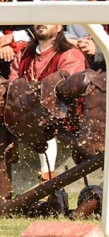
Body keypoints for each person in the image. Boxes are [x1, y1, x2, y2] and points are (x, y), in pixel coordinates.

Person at [8, 23, 85, 185]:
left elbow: (67, 89)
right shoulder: (23, 54)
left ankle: (47, 178)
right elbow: (12, 84)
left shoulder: (70, 54)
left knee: (43, 118)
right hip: (24, 111)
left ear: (59, 27)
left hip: (63, 113)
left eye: (48, 20)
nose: (41, 23)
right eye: (38, 20)